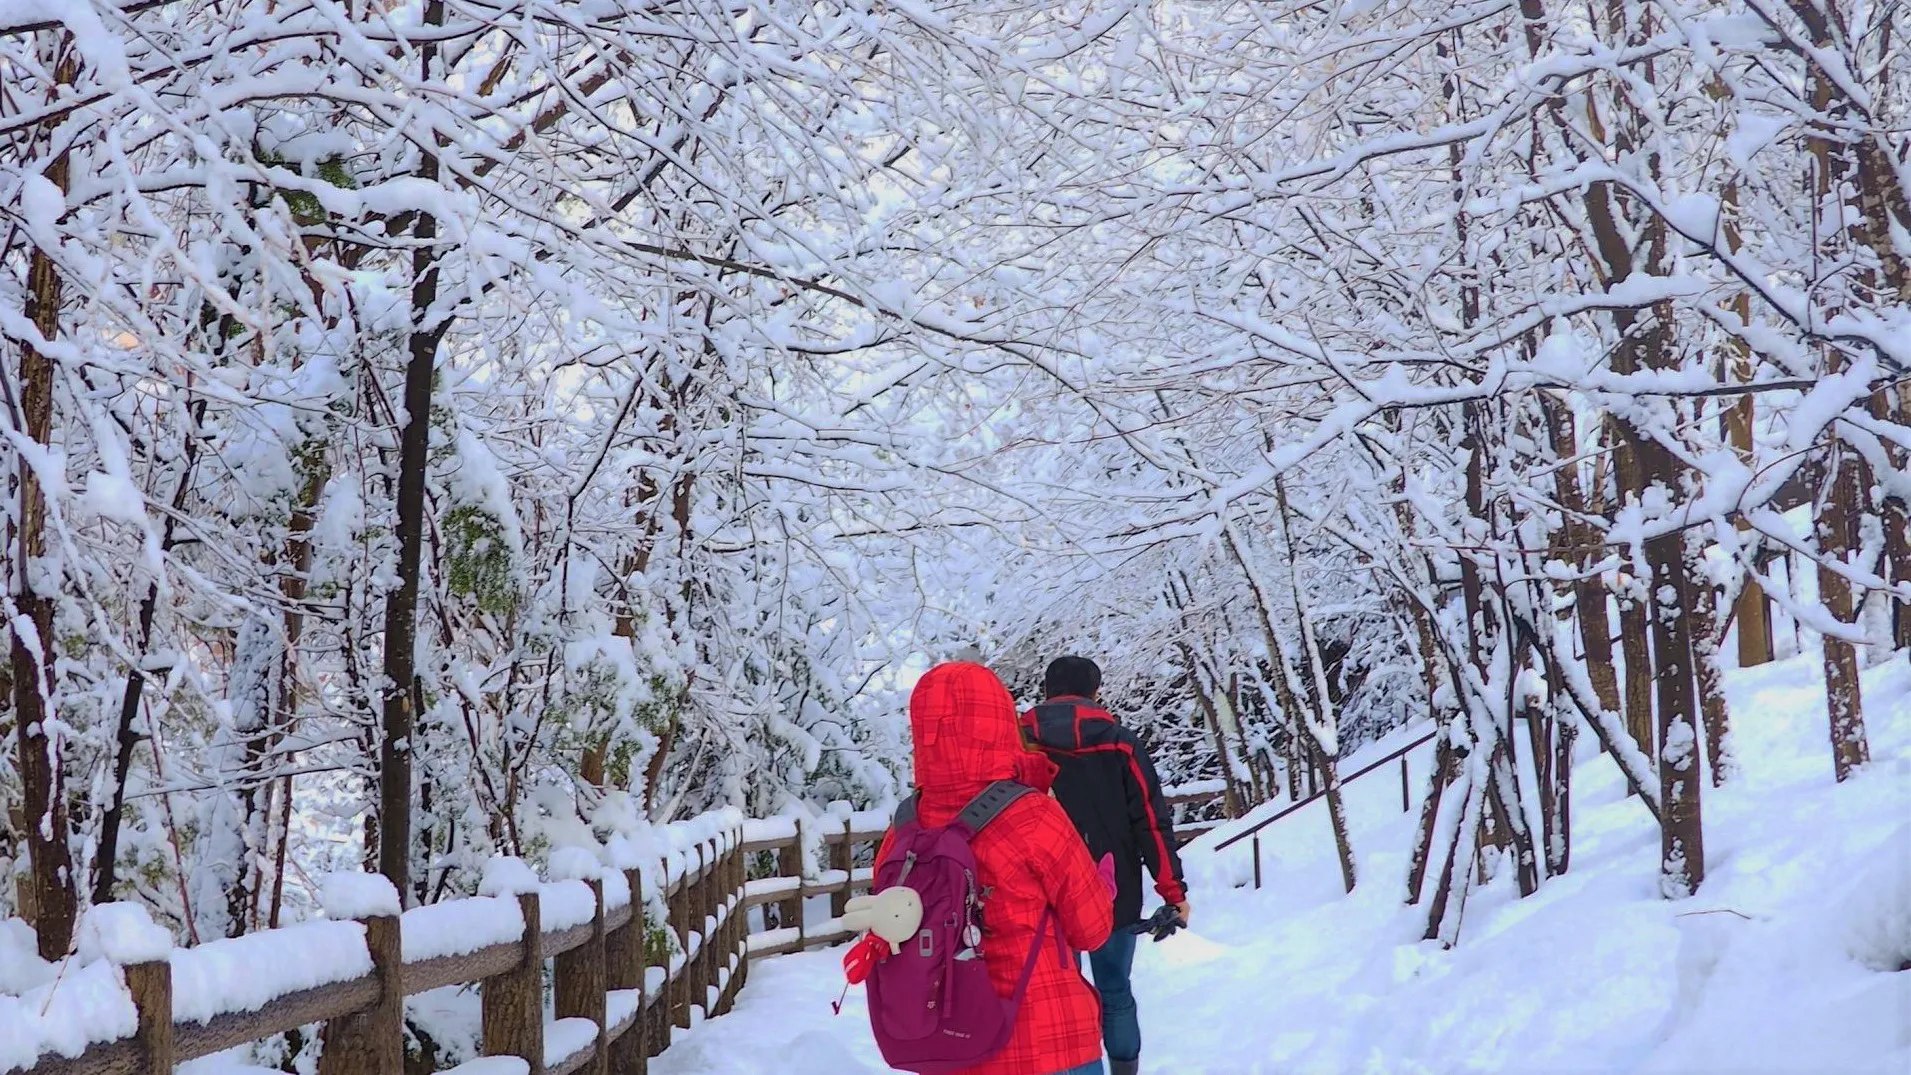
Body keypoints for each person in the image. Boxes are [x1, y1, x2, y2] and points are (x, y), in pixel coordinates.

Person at [875, 661, 1115, 1075]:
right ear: (999, 719)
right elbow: (1091, 931)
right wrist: (1102, 886)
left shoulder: (904, 828)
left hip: (950, 1045)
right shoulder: (1033, 815)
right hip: (1049, 1042)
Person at [1021, 656, 1187, 1075]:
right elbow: (1151, 821)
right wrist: (1173, 892)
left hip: (1038, 895)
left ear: (1046, 693)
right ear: (1096, 693)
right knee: (1115, 991)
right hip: (1113, 890)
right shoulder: (1119, 743)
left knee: (1057, 999)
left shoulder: (1018, 745)